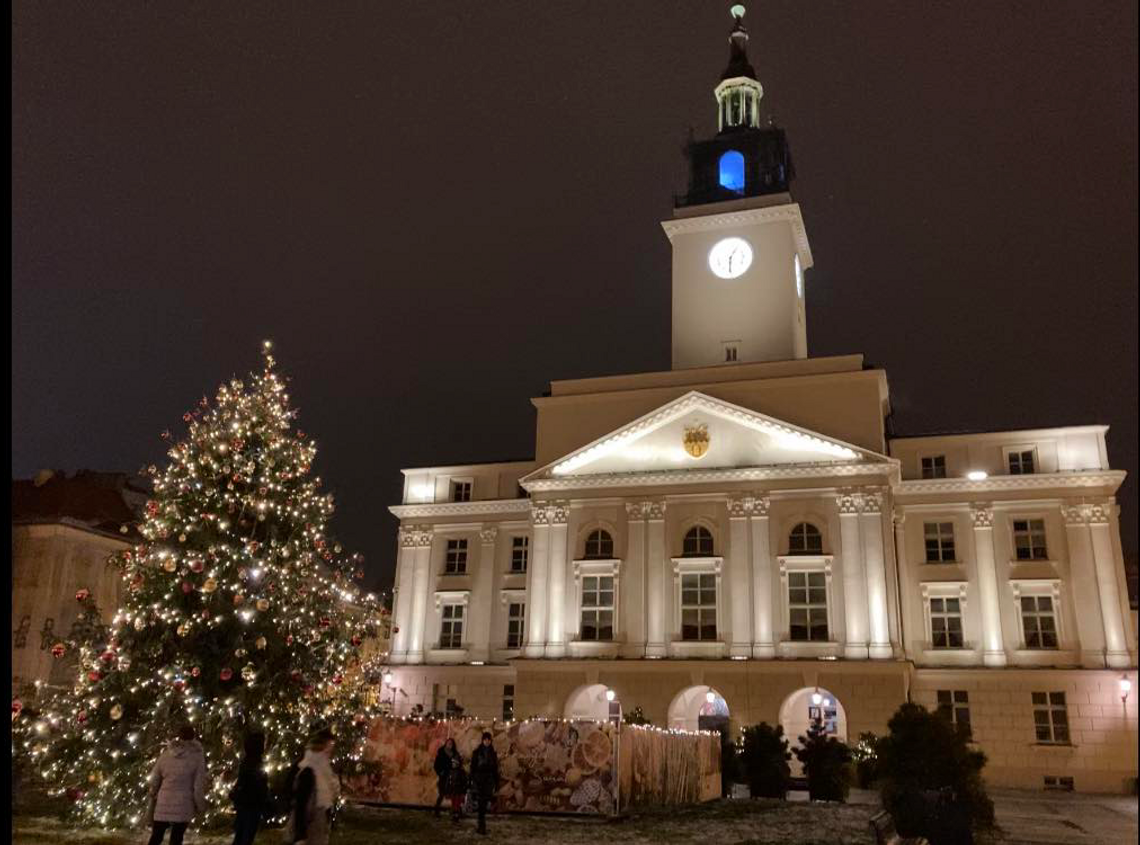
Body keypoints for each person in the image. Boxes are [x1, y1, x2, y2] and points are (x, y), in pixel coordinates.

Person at [146, 724, 208, 845]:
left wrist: (153, 793)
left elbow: (154, 778)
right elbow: (198, 786)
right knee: (177, 837)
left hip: (164, 801)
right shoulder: (197, 756)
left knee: (156, 836)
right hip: (183, 803)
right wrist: (201, 806)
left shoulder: (166, 754)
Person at [289, 729, 340, 845]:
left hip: (320, 821)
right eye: (329, 746)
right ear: (321, 746)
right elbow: (301, 803)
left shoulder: (324, 769)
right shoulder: (308, 770)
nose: (331, 751)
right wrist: (300, 834)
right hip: (311, 823)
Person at [230, 732, 269, 845]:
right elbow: (259, 786)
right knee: (246, 836)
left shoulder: (247, 761)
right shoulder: (255, 764)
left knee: (241, 834)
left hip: (245, 803)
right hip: (251, 805)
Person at [469, 732, 500, 836]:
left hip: (489, 781)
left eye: (489, 740)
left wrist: (496, 783)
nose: (487, 741)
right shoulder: (477, 752)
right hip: (479, 780)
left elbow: (495, 769)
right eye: (485, 739)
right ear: (482, 740)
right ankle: (481, 825)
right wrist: (472, 780)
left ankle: (481, 824)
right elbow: (472, 768)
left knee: (484, 803)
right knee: (481, 803)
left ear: (490, 741)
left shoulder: (493, 753)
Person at [432, 738, 459, 817]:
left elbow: (458, 762)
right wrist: (440, 773)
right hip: (444, 776)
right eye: (448, 743)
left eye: (451, 743)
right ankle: (437, 810)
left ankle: (454, 811)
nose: (449, 745)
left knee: (453, 794)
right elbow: (436, 765)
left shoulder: (455, 753)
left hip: (453, 776)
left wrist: (457, 765)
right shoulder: (441, 753)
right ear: (446, 744)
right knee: (442, 794)